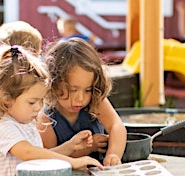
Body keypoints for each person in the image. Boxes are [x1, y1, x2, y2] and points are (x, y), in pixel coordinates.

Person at [0, 45, 103, 176]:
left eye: (41, 100)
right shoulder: (0, 125)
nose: (39, 107)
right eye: (32, 102)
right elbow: (28, 153)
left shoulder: (26, 122)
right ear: (7, 100)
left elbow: (41, 158)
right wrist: (72, 162)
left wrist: (70, 146)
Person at [37, 38, 127, 166]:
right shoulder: (46, 119)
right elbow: (51, 158)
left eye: (87, 90)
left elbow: (116, 126)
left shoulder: (95, 100)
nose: (80, 98)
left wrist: (113, 154)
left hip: (101, 174)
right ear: (54, 83)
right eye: (73, 90)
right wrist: (88, 148)